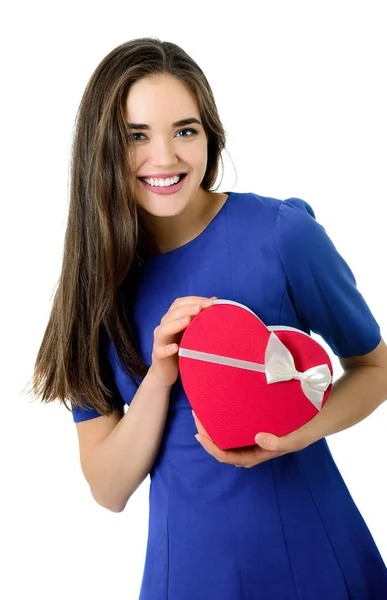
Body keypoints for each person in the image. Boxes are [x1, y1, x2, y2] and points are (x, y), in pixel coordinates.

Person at [31, 37, 387, 599]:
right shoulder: (94, 287)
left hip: (313, 556)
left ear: (209, 136)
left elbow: (375, 367)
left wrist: (296, 435)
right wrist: (160, 373)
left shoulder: (282, 235)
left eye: (185, 130)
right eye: (137, 135)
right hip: (188, 575)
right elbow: (108, 487)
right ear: (101, 148)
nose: (166, 157)